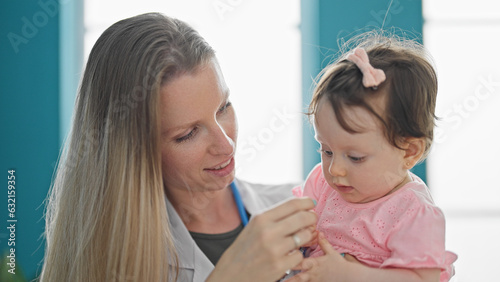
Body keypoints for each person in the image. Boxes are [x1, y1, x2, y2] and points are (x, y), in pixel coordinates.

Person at [40, 13, 317, 282]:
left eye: (223, 108)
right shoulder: (109, 268)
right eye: (188, 134)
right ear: (134, 154)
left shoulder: (304, 207)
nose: (226, 144)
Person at [288, 34, 457, 281]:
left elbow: (421, 279)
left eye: (355, 157)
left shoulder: (412, 213)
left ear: (409, 152)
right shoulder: (323, 183)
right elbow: (298, 223)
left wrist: (349, 274)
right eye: (326, 150)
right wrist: (298, 234)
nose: (335, 169)